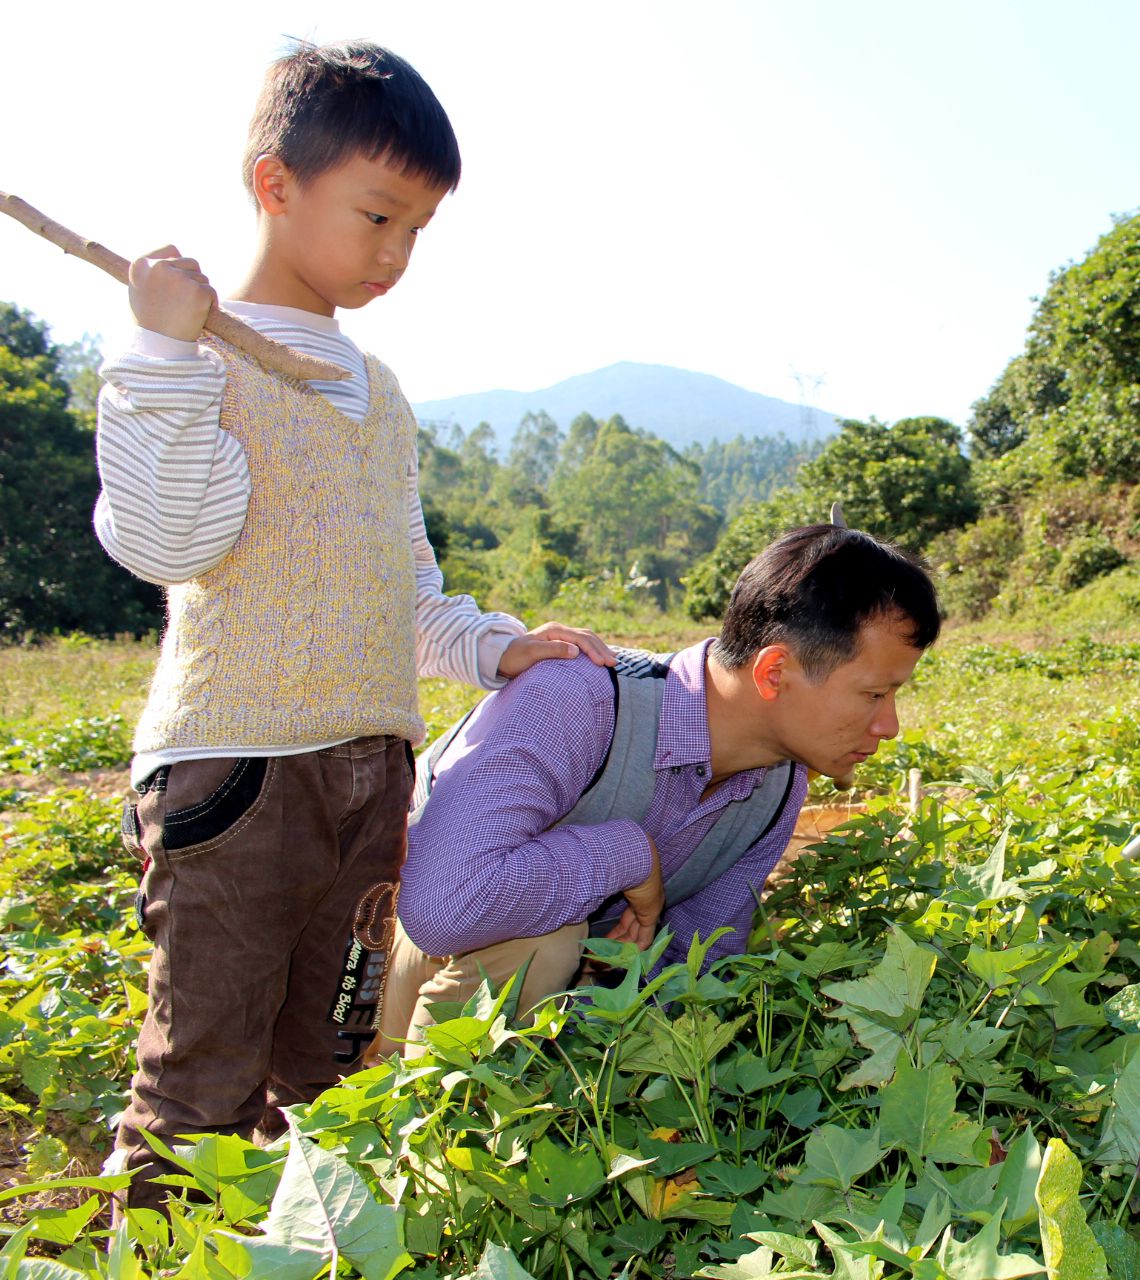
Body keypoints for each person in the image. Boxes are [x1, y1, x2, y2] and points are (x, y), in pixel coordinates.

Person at [96, 41, 610, 1209]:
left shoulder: (378, 391)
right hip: (238, 778)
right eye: (377, 216)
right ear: (274, 185)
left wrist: (496, 645)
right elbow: (166, 540)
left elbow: (402, 582)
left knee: (329, 1071)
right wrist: (165, 347)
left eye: (417, 229)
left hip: (370, 775)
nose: (395, 254)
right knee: (203, 1075)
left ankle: (293, 1239)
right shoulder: (188, 357)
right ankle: (162, 1243)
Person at [377, 525, 941, 1054]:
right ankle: (419, 1135)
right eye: (874, 695)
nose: (888, 725)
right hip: (375, 970)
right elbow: (443, 909)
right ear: (774, 672)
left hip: (556, 1010)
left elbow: (697, 968)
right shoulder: (577, 699)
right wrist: (624, 854)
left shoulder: (777, 784)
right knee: (546, 943)